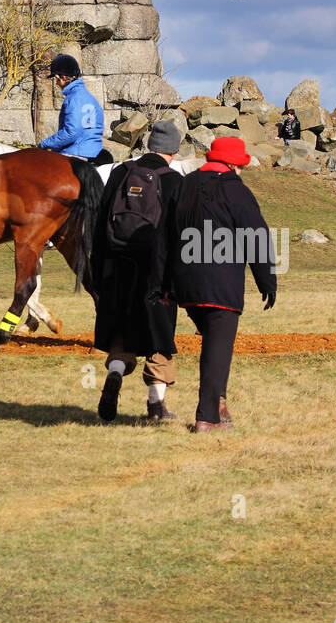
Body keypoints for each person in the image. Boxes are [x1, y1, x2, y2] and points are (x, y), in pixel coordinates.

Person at [157, 136, 277, 432]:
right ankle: (207, 418)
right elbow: (256, 237)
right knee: (217, 347)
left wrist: (164, 283)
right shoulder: (235, 190)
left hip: (184, 284)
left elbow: (165, 235)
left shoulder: (186, 184)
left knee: (215, 342)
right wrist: (267, 281)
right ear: (235, 164)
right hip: (221, 284)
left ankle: (219, 403)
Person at [92, 122, 184, 422]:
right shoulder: (173, 181)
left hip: (116, 268)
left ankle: (115, 374)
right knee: (159, 338)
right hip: (155, 274)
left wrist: (98, 271)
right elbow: (178, 235)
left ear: (148, 144)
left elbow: (100, 222)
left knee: (122, 332)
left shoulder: (120, 173)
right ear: (173, 150)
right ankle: (156, 407)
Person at [39, 54, 111, 165]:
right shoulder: (90, 97)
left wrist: (45, 144)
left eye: (56, 79)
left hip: (76, 152)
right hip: (94, 150)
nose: (56, 83)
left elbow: (71, 132)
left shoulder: (73, 98)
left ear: (63, 78)